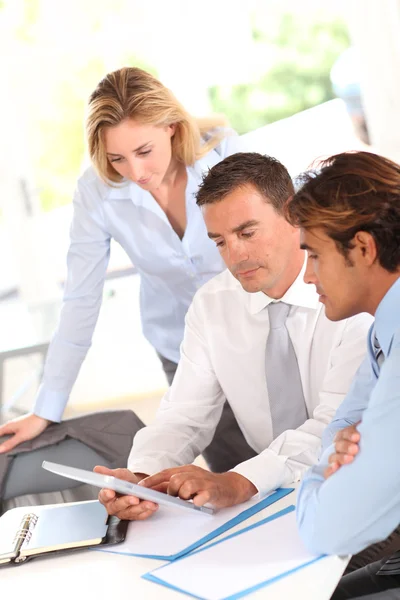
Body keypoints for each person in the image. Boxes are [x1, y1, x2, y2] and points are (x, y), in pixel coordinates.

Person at [0, 66, 249, 503]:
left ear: (171, 127)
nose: (134, 170)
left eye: (144, 150)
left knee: (291, 457)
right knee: (231, 478)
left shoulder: (226, 155)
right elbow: (80, 298)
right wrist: (46, 409)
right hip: (184, 347)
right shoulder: (96, 192)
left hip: (258, 330)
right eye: (117, 158)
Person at [96, 151, 372, 522]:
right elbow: (184, 417)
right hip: (274, 503)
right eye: (220, 242)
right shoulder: (213, 305)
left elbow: (334, 426)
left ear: (294, 214)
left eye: (246, 232)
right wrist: (144, 478)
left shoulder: (351, 295)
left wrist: (241, 480)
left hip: (361, 487)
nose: (236, 255)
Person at [285, 150, 400, 599]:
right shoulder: (382, 333)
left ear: (364, 248)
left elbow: (327, 528)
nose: (309, 276)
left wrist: (317, 480)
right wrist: (340, 447)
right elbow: (338, 430)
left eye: (314, 255)